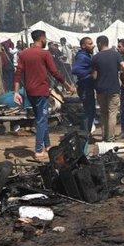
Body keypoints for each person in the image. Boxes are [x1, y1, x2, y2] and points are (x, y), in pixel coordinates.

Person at [12, 29, 74, 161]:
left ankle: (47, 145)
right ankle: (38, 150)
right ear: (42, 39)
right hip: (41, 91)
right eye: (45, 38)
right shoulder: (45, 54)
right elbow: (54, 72)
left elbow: (18, 73)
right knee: (41, 120)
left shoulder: (23, 54)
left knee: (41, 118)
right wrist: (67, 85)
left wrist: (16, 92)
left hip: (30, 91)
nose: (46, 41)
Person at [91, 35, 124, 142]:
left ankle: (104, 136)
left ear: (99, 43)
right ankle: (110, 138)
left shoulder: (95, 57)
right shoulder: (116, 54)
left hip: (100, 89)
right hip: (114, 88)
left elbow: (94, 76)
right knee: (112, 113)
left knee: (103, 113)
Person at [72, 36, 96, 151]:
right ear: (83, 46)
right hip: (84, 87)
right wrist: (90, 73)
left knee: (91, 112)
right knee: (88, 112)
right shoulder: (82, 56)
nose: (93, 45)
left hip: (87, 87)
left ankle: (86, 134)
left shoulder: (86, 55)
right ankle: (84, 136)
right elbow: (75, 70)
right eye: (90, 44)